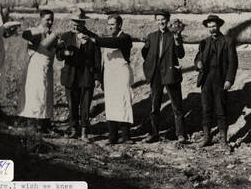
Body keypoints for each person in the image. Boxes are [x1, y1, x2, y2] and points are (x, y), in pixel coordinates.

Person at [81, 15, 134, 145]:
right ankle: (113, 137)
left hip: (121, 74)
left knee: (124, 103)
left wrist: (95, 39)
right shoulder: (106, 40)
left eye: (113, 24)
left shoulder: (125, 38)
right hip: (110, 75)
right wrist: (85, 31)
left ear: (120, 25)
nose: (110, 27)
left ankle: (126, 136)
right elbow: (103, 61)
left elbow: (113, 43)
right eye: (109, 24)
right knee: (111, 104)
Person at [56, 9, 101, 141]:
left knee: (85, 105)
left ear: (83, 23)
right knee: (72, 104)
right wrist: (65, 53)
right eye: (74, 23)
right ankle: (74, 129)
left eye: (78, 23)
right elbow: (58, 55)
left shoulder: (92, 37)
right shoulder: (65, 36)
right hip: (70, 75)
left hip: (87, 76)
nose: (75, 26)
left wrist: (97, 77)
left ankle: (84, 132)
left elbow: (97, 59)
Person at [194, 15, 238, 149]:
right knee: (206, 108)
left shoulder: (227, 41)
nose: (212, 29)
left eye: (214, 26)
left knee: (221, 109)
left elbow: (233, 63)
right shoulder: (204, 42)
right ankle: (207, 137)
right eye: (209, 27)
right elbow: (197, 58)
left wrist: (229, 80)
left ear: (219, 26)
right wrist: (198, 63)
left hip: (220, 78)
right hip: (206, 79)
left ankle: (223, 140)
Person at [141, 11, 186, 144]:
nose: (161, 22)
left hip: (170, 73)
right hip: (156, 75)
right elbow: (145, 52)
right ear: (155, 21)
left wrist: (178, 40)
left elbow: (181, 54)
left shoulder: (174, 35)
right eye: (158, 20)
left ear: (168, 20)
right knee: (155, 106)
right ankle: (154, 133)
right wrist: (149, 66)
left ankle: (181, 134)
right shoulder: (151, 36)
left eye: (163, 19)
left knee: (176, 105)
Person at [19, 9, 58, 133]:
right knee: (37, 93)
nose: (50, 22)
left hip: (47, 67)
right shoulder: (36, 31)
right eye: (47, 19)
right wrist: (37, 32)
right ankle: (34, 123)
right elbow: (26, 35)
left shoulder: (52, 33)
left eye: (52, 19)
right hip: (36, 66)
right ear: (40, 19)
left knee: (46, 94)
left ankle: (45, 122)